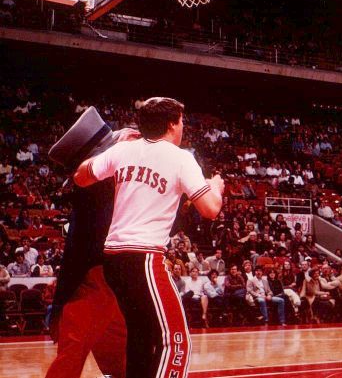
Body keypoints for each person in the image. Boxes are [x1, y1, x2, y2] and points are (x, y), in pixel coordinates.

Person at [73, 97, 224, 378]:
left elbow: (80, 177)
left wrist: (111, 148)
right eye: (181, 122)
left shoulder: (123, 150)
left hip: (114, 260)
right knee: (175, 340)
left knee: (141, 336)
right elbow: (211, 209)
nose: (183, 128)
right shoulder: (181, 157)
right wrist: (215, 186)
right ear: (171, 124)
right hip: (143, 257)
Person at [46, 106, 134, 378]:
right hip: (95, 279)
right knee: (74, 353)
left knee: (120, 352)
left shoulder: (88, 182)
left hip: (103, 276)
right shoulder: (93, 183)